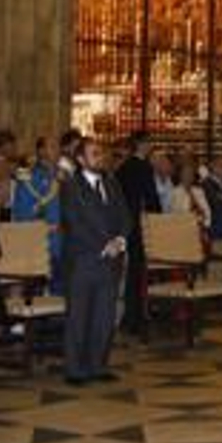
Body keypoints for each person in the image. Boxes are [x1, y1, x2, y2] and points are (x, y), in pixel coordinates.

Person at [61, 137, 130, 384]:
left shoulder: (111, 184)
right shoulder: (71, 187)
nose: (100, 156)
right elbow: (74, 223)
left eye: (101, 152)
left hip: (111, 261)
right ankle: (75, 369)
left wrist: (120, 240)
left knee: (104, 316)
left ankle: (98, 365)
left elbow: (125, 214)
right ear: (80, 159)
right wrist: (104, 245)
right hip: (84, 259)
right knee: (79, 316)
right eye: (94, 153)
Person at [116, 133, 160, 335]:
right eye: (149, 143)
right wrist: (158, 217)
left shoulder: (123, 167)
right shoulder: (143, 167)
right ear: (142, 145)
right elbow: (151, 198)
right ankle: (136, 316)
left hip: (126, 225)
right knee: (138, 272)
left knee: (131, 272)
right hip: (141, 226)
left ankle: (129, 316)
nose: (151, 146)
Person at [12, 138, 63, 290]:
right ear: (41, 151)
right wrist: (45, 227)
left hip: (60, 245)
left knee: (59, 298)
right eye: (53, 146)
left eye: (57, 146)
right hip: (38, 246)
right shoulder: (29, 177)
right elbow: (22, 213)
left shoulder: (60, 176)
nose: (58, 150)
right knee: (37, 296)